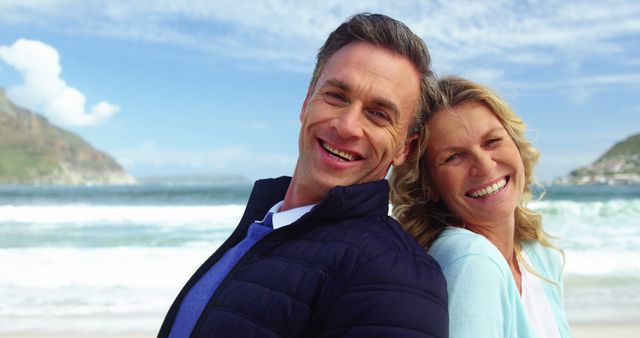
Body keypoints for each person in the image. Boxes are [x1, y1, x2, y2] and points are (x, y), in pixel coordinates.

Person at [158, 13, 448, 338]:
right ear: (307, 101)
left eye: (379, 114)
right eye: (337, 96)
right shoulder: (265, 224)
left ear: (404, 148)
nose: (347, 126)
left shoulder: (395, 275)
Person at [390, 76, 571, 337]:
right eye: (454, 157)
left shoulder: (539, 256)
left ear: (516, 146)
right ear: (429, 185)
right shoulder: (471, 260)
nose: (484, 165)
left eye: (492, 141)